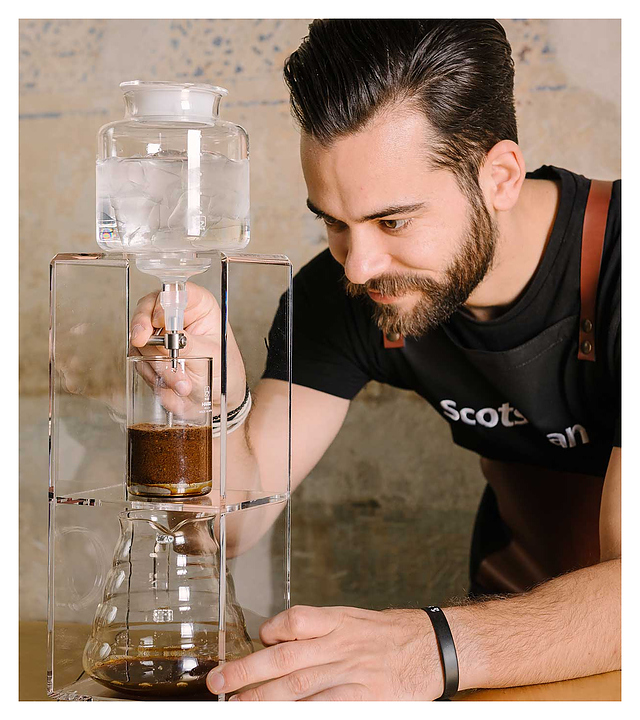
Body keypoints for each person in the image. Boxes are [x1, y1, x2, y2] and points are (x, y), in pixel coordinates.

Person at [130, 19, 620, 701]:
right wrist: (218, 406)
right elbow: (237, 524)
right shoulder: (348, 292)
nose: (358, 266)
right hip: (491, 670)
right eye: (333, 222)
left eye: (393, 222)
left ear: (500, 177)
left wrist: (426, 650)